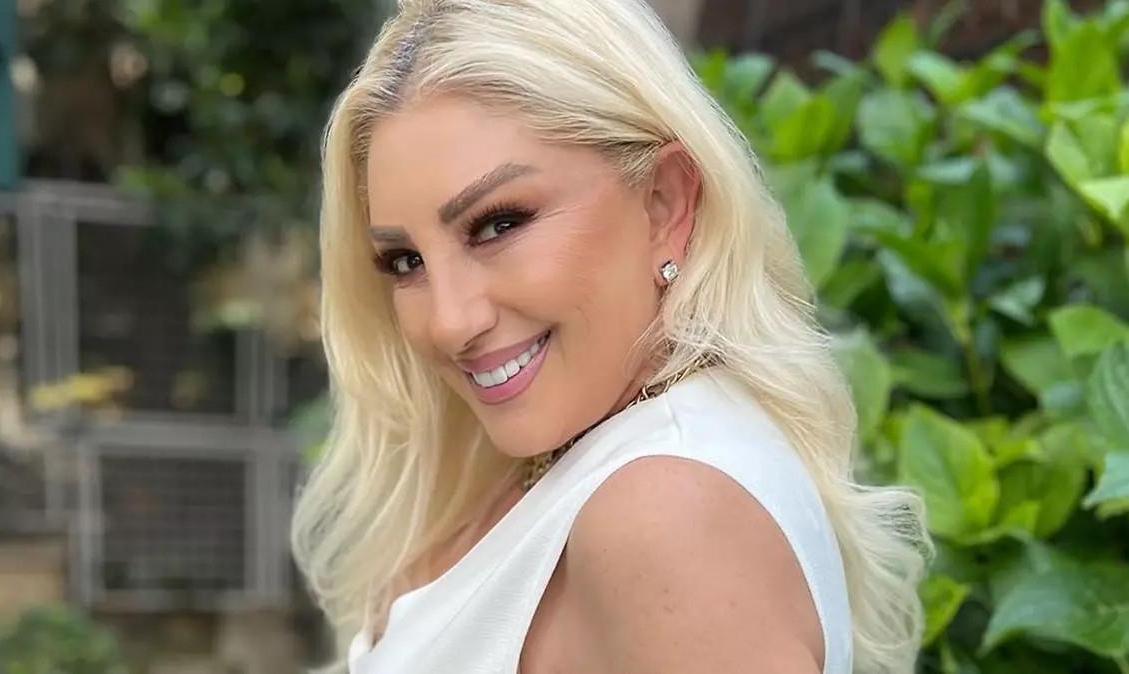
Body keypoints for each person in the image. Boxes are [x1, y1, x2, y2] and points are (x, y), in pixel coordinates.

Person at [291, 0, 928, 672]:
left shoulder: (667, 509)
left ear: (664, 203)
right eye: (405, 262)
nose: (450, 322)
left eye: (499, 224)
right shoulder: (574, 463)